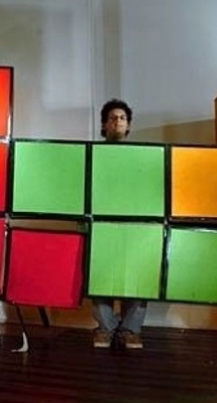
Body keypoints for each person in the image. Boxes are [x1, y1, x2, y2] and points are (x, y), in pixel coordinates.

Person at [91, 98, 148, 350]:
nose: (117, 122)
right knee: (99, 275)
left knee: (137, 277)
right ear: (104, 125)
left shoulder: (140, 157)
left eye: (122, 118)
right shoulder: (93, 154)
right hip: (101, 224)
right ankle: (107, 328)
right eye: (112, 118)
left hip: (134, 226)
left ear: (128, 125)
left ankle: (130, 330)